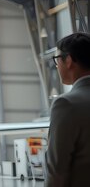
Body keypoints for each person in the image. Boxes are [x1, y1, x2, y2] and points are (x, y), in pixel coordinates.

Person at [46, 32, 90, 187]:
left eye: (57, 60)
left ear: (69, 60)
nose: (57, 66)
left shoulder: (66, 104)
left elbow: (57, 171)